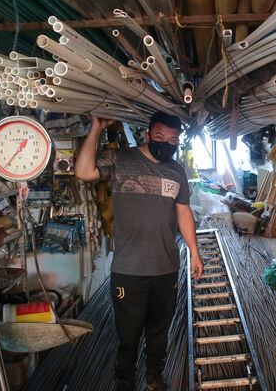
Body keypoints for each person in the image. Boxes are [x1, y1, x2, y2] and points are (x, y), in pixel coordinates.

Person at [75, 111, 203, 391]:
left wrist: (194, 252)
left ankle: (154, 375)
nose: (166, 144)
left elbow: (183, 213)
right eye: (159, 137)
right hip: (129, 270)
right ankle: (125, 379)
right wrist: (96, 128)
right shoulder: (121, 158)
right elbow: (84, 172)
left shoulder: (176, 170)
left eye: (172, 140)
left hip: (165, 267)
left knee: (159, 329)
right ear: (147, 135)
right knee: (129, 333)